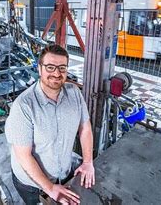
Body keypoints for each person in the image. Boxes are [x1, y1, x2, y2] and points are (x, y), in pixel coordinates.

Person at [5, 44, 95, 204]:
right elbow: (23, 156)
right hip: (32, 183)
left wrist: (88, 162)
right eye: (50, 67)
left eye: (62, 68)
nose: (57, 73)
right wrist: (49, 188)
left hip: (63, 173)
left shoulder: (74, 94)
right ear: (39, 69)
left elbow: (85, 128)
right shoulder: (24, 106)